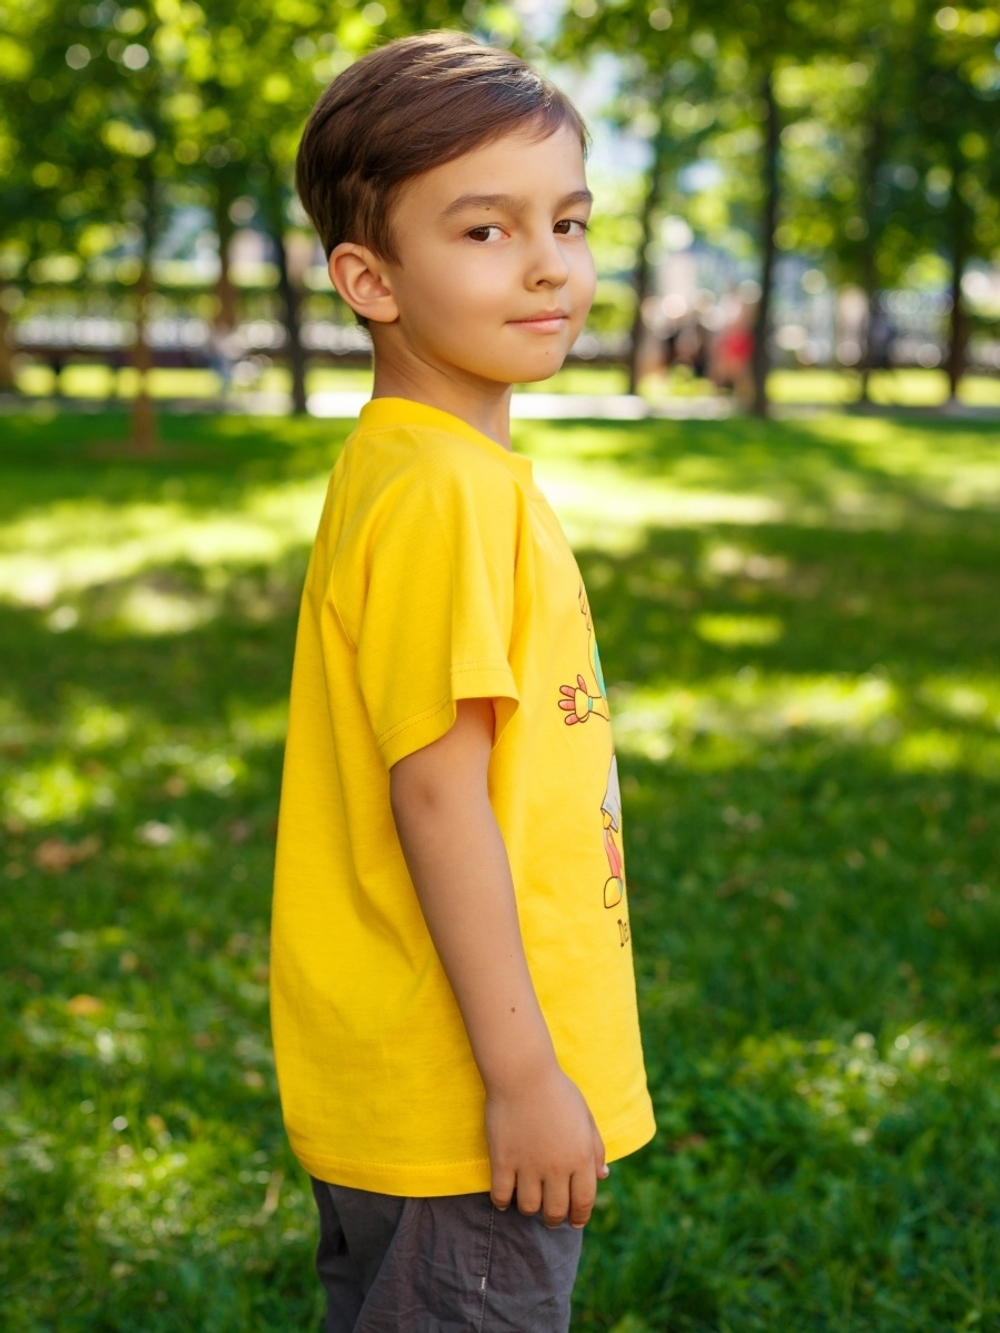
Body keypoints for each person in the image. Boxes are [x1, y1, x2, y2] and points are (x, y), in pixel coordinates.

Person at [271, 31, 655, 1332]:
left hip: (417, 1086)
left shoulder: (410, 465)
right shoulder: (441, 495)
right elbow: (437, 798)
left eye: (568, 219)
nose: (551, 261)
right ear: (369, 278)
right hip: (466, 1107)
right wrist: (524, 1076)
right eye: (486, 231)